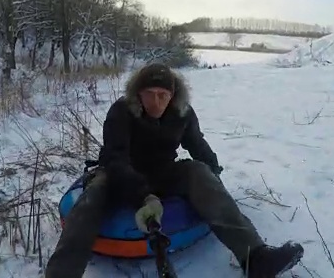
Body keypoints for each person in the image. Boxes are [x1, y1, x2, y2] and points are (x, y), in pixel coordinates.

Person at [43, 63, 304, 278]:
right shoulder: (121, 111)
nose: (156, 102)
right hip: (120, 172)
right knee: (94, 195)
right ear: (138, 93)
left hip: (163, 172)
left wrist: (212, 171)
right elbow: (115, 157)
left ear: (172, 96)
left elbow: (196, 143)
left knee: (199, 172)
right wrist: (143, 195)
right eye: (150, 94)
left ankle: (255, 257)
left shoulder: (183, 113)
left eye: (163, 95)